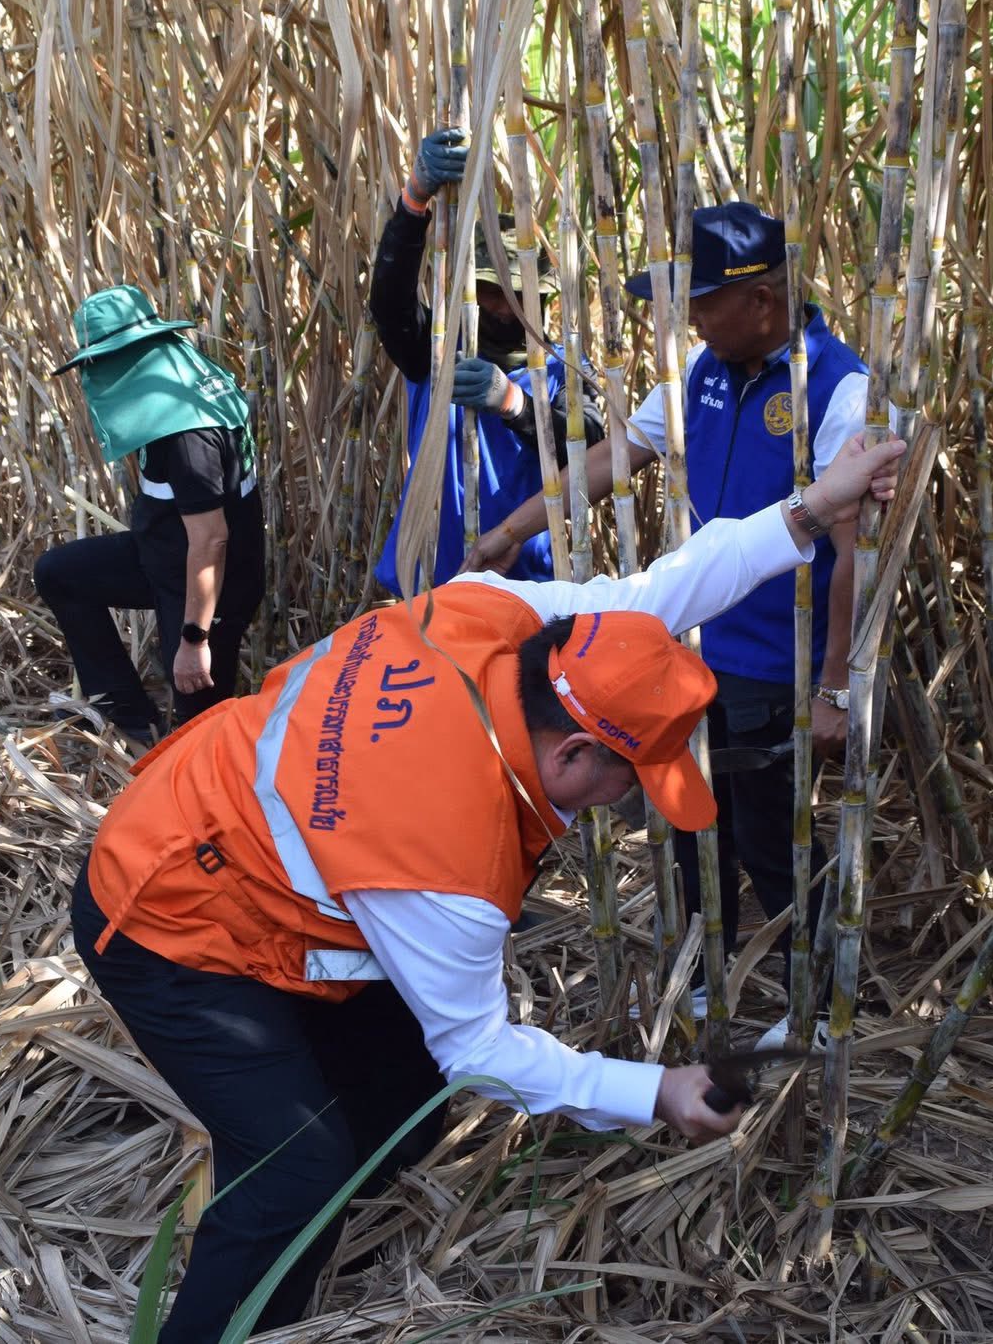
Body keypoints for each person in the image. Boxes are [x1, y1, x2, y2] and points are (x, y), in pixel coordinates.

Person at [72, 431, 905, 1340]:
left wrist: (816, 508)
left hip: (236, 823)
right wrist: (657, 1092)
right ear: (577, 749)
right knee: (296, 1169)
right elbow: (480, 1048)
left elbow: (655, 595)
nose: (628, 802)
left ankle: (270, 1213)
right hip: (168, 909)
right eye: (633, 778)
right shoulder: (441, 850)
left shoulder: (490, 615)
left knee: (400, 1100)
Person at [471, 203, 870, 998]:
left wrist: (834, 685)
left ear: (761, 299)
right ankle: (700, 978)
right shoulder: (703, 373)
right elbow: (619, 453)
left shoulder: (839, 388)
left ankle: (822, 1001)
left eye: (700, 302)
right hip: (690, 649)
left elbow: (855, 551)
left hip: (776, 663)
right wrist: (511, 533)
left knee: (772, 837)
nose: (687, 320)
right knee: (691, 823)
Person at [368, 126, 605, 597]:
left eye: (516, 295)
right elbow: (389, 307)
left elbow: (595, 450)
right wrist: (414, 202)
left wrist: (516, 403)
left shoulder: (564, 370)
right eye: (490, 291)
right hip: (432, 578)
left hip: (526, 585)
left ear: (542, 299)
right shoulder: (435, 352)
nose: (501, 308)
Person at [33, 285, 266, 747]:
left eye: (99, 362)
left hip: (207, 587)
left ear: (129, 357)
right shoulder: (183, 381)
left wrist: (194, 640)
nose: (94, 375)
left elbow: (211, 540)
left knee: (196, 735)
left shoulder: (186, 432)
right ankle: (129, 716)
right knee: (59, 573)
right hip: (159, 556)